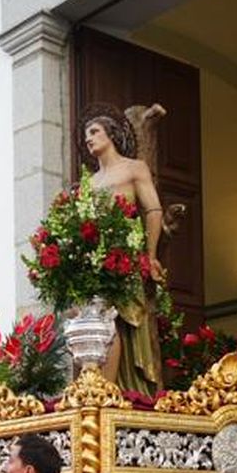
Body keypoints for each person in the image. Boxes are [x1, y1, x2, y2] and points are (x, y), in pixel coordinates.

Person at [81, 104, 164, 395]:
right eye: (86, 134)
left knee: (120, 320)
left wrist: (151, 255)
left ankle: (121, 391)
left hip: (124, 258)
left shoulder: (133, 168)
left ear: (112, 134)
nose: (88, 138)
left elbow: (152, 209)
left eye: (94, 132)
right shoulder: (89, 183)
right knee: (96, 322)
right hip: (95, 264)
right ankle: (100, 391)